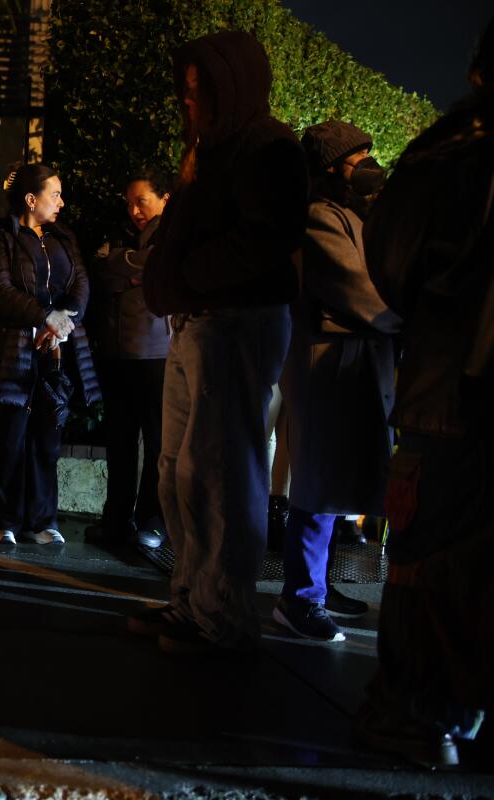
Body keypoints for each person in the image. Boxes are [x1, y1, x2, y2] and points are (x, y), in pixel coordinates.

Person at [134, 31, 309, 655]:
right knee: (177, 473)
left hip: (235, 323)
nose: (185, 102)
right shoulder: (211, 151)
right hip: (197, 323)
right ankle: (192, 601)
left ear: (226, 87)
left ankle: (223, 617)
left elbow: (262, 241)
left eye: (195, 91)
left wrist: (183, 277)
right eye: (183, 91)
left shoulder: (267, 146)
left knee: (220, 473)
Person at [354, 18, 494, 767]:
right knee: (442, 558)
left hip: (451, 390)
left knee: (429, 560)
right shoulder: (456, 154)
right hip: (452, 391)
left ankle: (419, 709)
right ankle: (439, 707)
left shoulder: (450, 152)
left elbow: (394, 260)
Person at [272, 120, 399, 643]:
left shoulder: (355, 214)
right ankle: (299, 599)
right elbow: (358, 289)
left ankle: (317, 585)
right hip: (330, 363)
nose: (367, 163)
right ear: (331, 167)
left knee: (341, 479)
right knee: (320, 480)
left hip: (355, 358)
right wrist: (408, 314)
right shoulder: (317, 218)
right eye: (357, 155)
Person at [0, 163, 98, 546]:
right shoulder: (5, 236)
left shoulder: (63, 237)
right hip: (15, 346)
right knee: (9, 434)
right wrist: (45, 316)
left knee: (47, 432)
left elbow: (80, 283)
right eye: (54, 194)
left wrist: (63, 323)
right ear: (31, 199)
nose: (61, 201)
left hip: (55, 347)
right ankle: (3, 518)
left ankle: (43, 519)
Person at [87, 168, 172, 550]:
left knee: (156, 441)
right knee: (120, 440)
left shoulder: (174, 232)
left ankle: (152, 520)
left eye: (143, 201)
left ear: (164, 198)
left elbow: (159, 269)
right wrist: (132, 267)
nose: (135, 210)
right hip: (116, 352)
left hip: (156, 353)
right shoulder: (119, 232)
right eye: (130, 203)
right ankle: (116, 519)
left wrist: (125, 265)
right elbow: (101, 274)